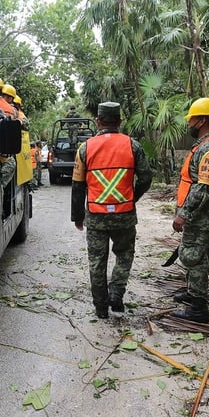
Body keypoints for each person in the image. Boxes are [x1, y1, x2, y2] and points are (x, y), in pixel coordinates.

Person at [71, 102, 153, 319]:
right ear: (119, 121)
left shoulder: (85, 148)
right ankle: (116, 293)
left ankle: (100, 307)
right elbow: (146, 177)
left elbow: (78, 186)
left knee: (97, 261)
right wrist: (132, 198)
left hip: (96, 218)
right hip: (124, 215)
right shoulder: (133, 145)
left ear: (98, 121)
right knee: (124, 255)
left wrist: (78, 216)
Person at [170, 97, 209, 323]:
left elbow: (203, 188)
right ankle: (192, 290)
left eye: (192, 119)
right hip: (205, 213)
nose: (189, 124)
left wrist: (183, 215)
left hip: (203, 214)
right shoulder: (206, 145)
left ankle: (197, 308)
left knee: (194, 256)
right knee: (199, 255)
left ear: (202, 120)